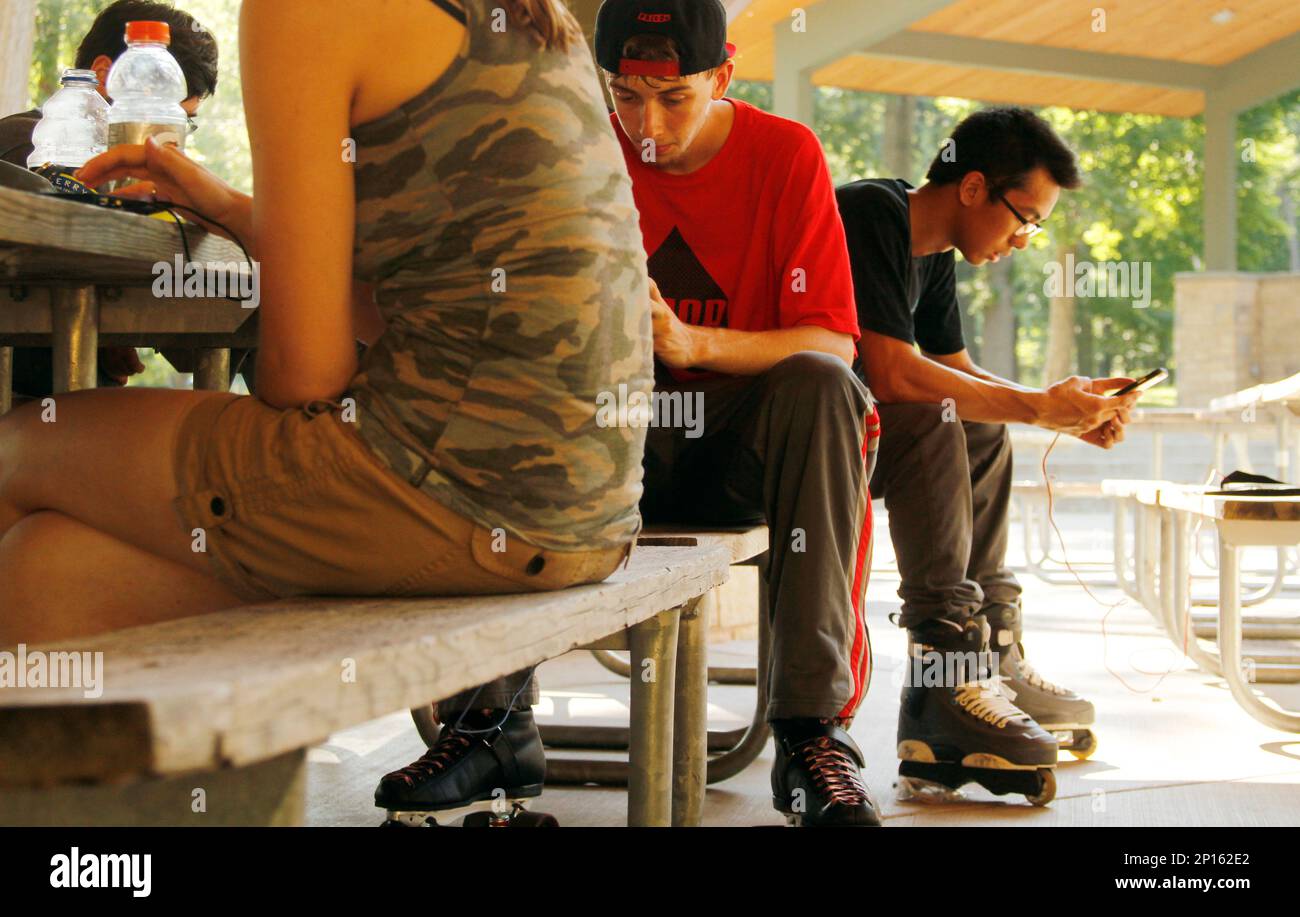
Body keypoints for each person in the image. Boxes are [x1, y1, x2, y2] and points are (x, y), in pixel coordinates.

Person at [0, 0, 652, 702]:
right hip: (586, 512)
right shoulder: (531, 17)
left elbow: (306, 379)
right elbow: (427, 296)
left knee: (17, 448)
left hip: (454, 483)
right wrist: (230, 208)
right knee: (42, 573)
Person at [378, 0, 882, 828]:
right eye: (625, 94)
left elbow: (832, 342)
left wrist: (693, 342)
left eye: (673, 97)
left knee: (825, 391)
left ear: (723, 76)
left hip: (732, 457)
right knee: (501, 374)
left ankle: (812, 733)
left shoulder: (785, 155)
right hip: (600, 447)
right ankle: (490, 722)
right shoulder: (573, 144)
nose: (645, 124)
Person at [836, 107, 1139, 801]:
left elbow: (960, 374)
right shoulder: (870, 213)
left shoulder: (934, 252)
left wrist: (1064, 409)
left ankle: (990, 655)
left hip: (865, 436)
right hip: (799, 434)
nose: (1025, 239)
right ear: (972, 188)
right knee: (938, 413)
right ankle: (943, 679)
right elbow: (891, 372)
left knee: (979, 425)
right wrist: (1039, 404)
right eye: (1023, 217)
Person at [0, 0, 220, 395]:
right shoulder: (25, 143)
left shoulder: (127, 178)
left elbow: (188, 347)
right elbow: (54, 253)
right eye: (163, 113)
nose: (168, 139)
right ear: (105, 74)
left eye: (182, 123)